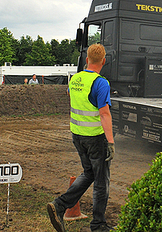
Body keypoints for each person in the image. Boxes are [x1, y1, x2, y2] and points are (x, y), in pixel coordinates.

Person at [47, 44, 115, 232]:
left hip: (77, 135)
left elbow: (71, 95)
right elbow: (104, 114)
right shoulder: (101, 83)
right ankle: (98, 225)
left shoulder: (75, 79)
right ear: (103, 61)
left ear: (86, 60)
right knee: (101, 181)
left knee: (88, 173)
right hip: (95, 137)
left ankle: (60, 206)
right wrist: (110, 141)